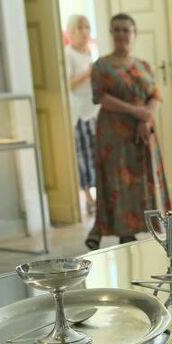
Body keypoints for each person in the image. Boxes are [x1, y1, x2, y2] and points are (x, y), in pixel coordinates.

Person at [84, 12, 169, 250]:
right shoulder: (101, 66)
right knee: (118, 179)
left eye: (126, 30)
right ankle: (123, 231)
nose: (121, 34)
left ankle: (149, 225)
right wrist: (137, 112)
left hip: (143, 131)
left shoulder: (143, 65)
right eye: (117, 29)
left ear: (134, 33)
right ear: (111, 33)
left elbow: (155, 95)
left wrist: (145, 118)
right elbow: (101, 97)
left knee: (144, 176)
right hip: (114, 133)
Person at [64, 14, 99, 214]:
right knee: (84, 155)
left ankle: (100, 196)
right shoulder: (68, 54)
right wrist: (88, 73)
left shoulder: (89, 52)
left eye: (87, 27)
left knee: (97, 154)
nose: (85, 32)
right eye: (80, 28)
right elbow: (69, 84)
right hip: (79, 113)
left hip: (94, 110)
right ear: (71, 32)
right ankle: (88, 199)